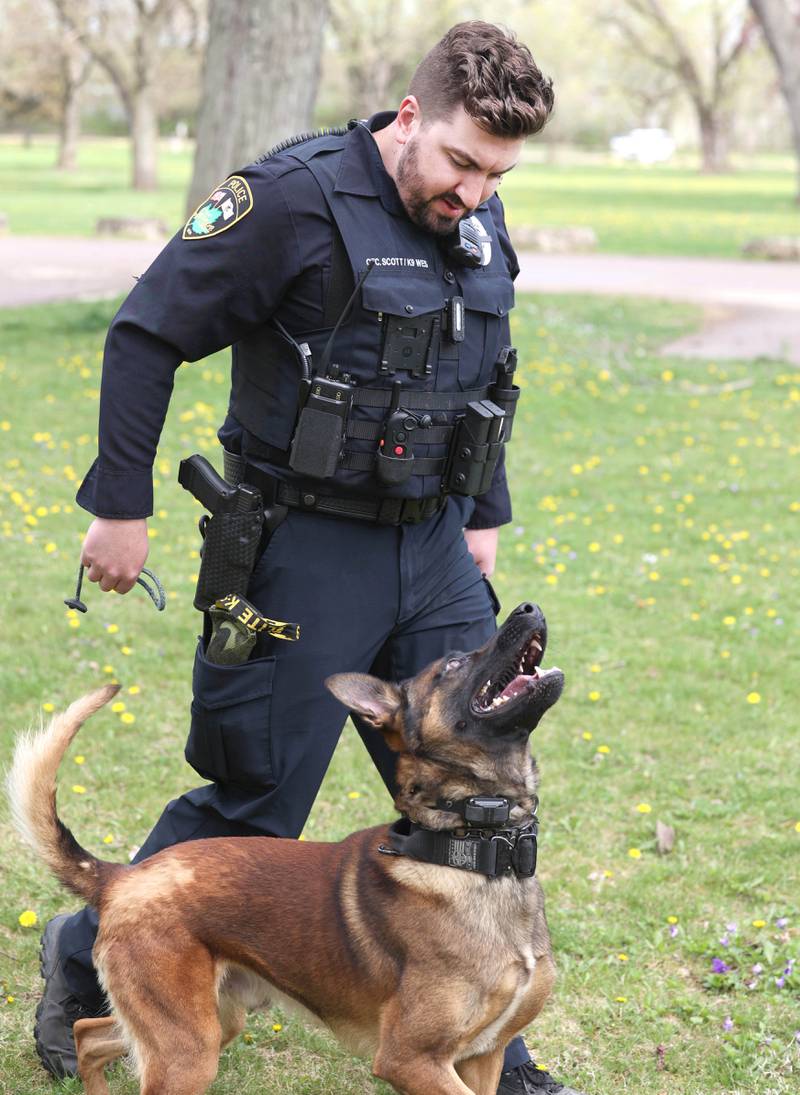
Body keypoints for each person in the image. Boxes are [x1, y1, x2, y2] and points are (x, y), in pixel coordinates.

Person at [36, 21, 585, 1095]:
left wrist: (482, 510)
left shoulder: (475, 212)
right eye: (461, 162)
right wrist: (118, 503)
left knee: (468, 801)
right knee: (253, 804)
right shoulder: (288, 199)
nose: (474, 191)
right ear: (409, 116)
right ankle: (79, 957)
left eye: (497, 173)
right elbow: (145, 332)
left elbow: (482, 369)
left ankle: (489, 1048)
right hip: (301, 550)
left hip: (430, 544)